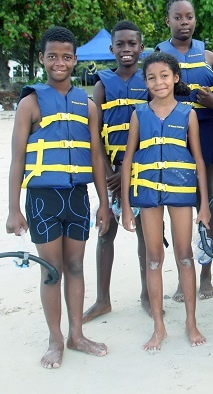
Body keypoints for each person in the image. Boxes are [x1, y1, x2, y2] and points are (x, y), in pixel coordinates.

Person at [6, 26, 111, 368]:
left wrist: (104, 204)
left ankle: (76, 334)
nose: (60, 63)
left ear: (75, 59)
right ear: (42, 58)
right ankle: (55, 339)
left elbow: (97, 157)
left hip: (77, 199)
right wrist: (13, 210)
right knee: (52, 271)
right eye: (52, 56)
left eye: (66, 56)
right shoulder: (29, 103)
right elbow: (17, 159)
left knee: (76, 266)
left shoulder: (88, 105)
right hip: (42, 200)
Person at [120, 52, 210, 351]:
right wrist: (125, 205)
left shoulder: (188, 114)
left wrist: (205, 205)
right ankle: (159, 326)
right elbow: (129, 159)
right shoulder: (139, 114)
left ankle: (191, 322)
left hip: (181, 193)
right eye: (151, 77)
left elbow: (198, 159)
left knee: (185, 256)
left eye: (164, 76)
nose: (158, 82)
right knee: (154, 259)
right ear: (145, 82)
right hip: (147, 195)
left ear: (175, 78)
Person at [156, 0, 213, 302]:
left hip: (207, 136)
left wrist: (212, 102)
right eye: (178, 17)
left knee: (205, 201)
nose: (185, 22)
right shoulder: (156, 56)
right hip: (173, 139)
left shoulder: (208, 57)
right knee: (179, 208)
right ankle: (185, 278)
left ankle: (206, 274)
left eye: (190, 17)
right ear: (167, 21)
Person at [83, 20, 150, 323]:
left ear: (141, 47)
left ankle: (148, 294)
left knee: (148, 237)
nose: (126, 50)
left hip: (142, 171)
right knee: (106, 233)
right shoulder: (101, 85)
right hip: (110, 175)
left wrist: (130, 168)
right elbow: (94, 135)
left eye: (132, 44)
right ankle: (102, 300)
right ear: (111, 48)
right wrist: (110, 172)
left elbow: (153, 129)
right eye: (120, 45)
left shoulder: (150, 81)